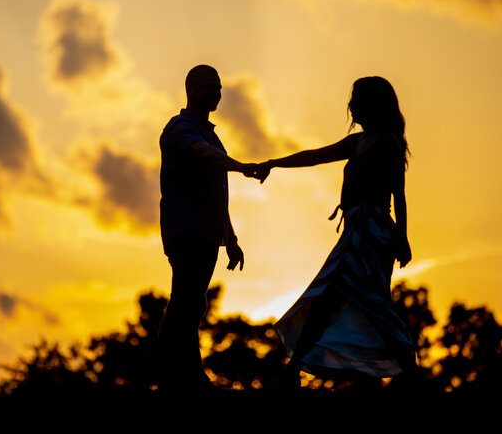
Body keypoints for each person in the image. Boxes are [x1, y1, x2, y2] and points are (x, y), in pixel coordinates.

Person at [253, 76, 416, 389]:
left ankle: (410, 374)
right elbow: (314, 156)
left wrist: (402, 236)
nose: (351, 105)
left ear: (373, 105)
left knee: (362, 301)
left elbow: (399, 193)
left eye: (357, 99)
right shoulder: (357, 143)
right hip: (354, 233)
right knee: (335, 300)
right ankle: (292, 374)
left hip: (372, 234)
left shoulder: (387, 143)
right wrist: (273, 163)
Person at [157, 64, 257, 391]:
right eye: (208, 87)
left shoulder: (212, 134)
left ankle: (185, 373)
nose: (216, 93)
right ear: (191, 89)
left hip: (208, 234)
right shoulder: (179, 128)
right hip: (186, 229)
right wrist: (240, 167)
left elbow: (216, 188)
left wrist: (231, 237)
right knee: (185, 300)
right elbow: (201, 154)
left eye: (218, 88)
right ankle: (179, 375)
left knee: (194, 302)